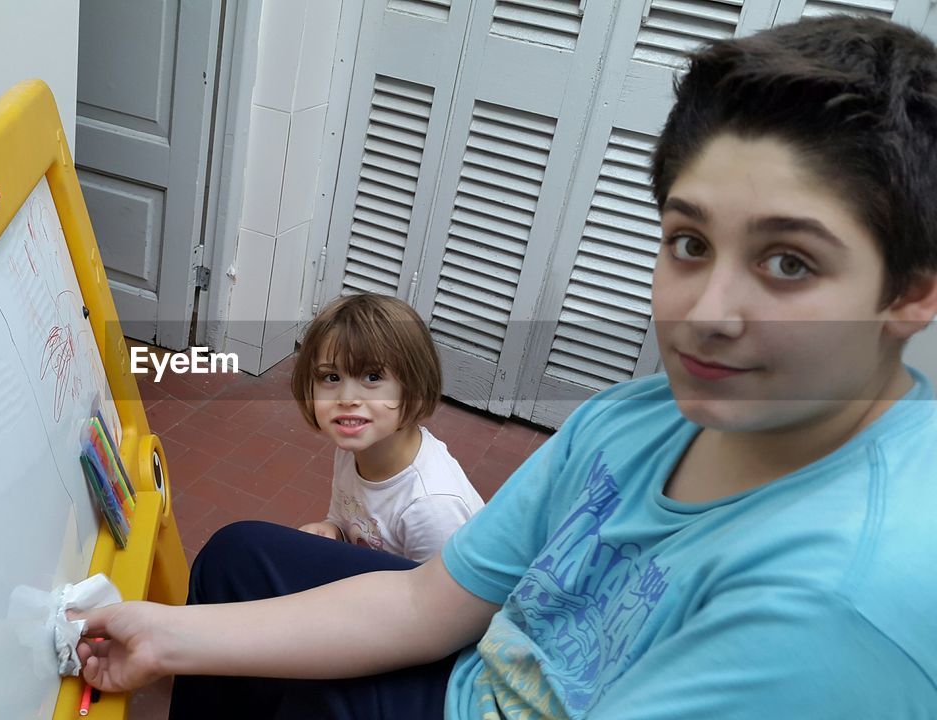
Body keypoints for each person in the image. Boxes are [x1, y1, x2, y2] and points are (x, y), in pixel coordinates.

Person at [70, 15, 937, 719]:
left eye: (789, 262)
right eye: (689, 242)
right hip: (479, 675)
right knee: (237, 563)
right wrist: (170, 639)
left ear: (912, 294)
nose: (706, 314)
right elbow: (426, 606)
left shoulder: (836, 608)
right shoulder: (632, 418)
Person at [290, 293, 485, 561]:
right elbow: (347, 519)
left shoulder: (431, 507)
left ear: (414, 387)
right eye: (331, 377)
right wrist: (332, 530)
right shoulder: (356, 446)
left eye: (372, 377)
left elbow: (435, 600)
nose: (347, 399)